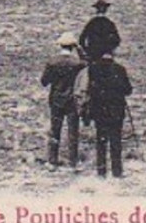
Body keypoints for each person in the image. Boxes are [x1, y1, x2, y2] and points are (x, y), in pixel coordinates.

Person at [40, 32, 86, 168]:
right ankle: (73, 162)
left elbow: (44, 82)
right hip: (72, 100)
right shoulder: (77, 63)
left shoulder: (52, 62)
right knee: (73, 131)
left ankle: (52, 160)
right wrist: (80, 49)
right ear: (72, 46)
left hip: (56, 99)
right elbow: (87, 62)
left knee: (55, 130)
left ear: (60, 45)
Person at [84, 50, 133, 178]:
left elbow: (90, 89)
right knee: (116, 141)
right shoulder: (120, 69)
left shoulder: (93, 69)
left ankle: (101, 171)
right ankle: (117, 171)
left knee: (101, 140)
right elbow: (128, 90)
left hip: (100, 110)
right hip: (116, 110)